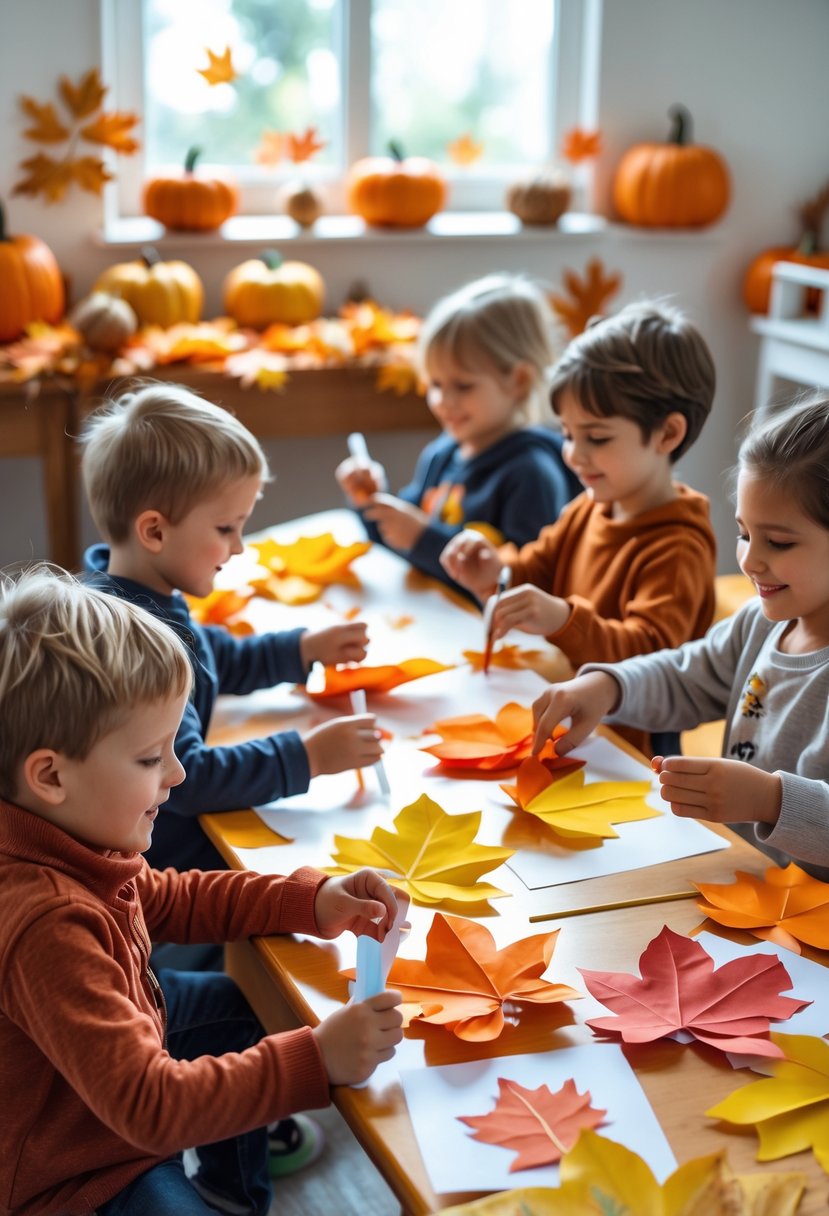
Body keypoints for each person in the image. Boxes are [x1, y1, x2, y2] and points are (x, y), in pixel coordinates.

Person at [0, 567, 404, 1216]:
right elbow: (149, 1107)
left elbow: (169, 899)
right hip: (79, 1173)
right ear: (50, 775)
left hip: (122, 1074)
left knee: (244, 1009)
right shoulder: (45, 920)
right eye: (148, 759)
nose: (179, 773)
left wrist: (310, 898)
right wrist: (316, 1058)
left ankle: (228, 1191)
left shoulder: (77, 835)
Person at [80, 381, 383, 876]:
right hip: (162, 863)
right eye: (226, 529)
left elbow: (206, 654)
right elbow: (188, 780)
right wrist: (306, 757)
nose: (239, 547)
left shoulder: (126, 595)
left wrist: (299, 650)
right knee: (302, 870)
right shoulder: (134, 644)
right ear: (154, 531)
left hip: (169, 840)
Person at [530, 392, 829, 881]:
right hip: (743, 884)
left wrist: (770, 801)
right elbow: (685, 675)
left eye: (778, 542)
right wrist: (611, 686)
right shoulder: (760, 623)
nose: (750, 561)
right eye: (744, 533)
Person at [440, 301, 718, 755]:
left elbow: (650, 661)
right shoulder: (589, 507)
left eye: (597, 437)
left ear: (668, 434)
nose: (573, 454)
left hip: (627, 752)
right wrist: (495, 573)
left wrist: (563, 620)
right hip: (565, 726)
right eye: (568, 433)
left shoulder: (678, 545)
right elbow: (536, 570)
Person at [335, 273, 581, 591]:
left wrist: (423, 538)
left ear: (518, 381)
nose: (442, 401)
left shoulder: (531, 474)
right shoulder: (443, 452)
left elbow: (526, 586)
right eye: (435, 384)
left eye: (462, 386)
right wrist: (369, 500)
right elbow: (397, 540)